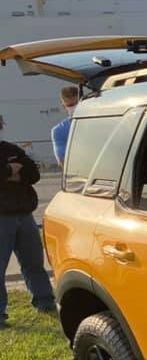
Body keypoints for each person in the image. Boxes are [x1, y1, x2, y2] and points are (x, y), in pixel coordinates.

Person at [0, 138, 56, 328]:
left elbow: (33, 174)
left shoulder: (11, 148)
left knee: (34, 262)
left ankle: (45, 302)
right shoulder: (13, 154)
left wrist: (8, 173)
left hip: (25, 215)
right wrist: (12, 170)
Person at [51, 85, 79, 167]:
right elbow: (62, 162)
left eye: (77, 103)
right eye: (70, 105)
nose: (74, 107)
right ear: (64, 106)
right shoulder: (59, 130)